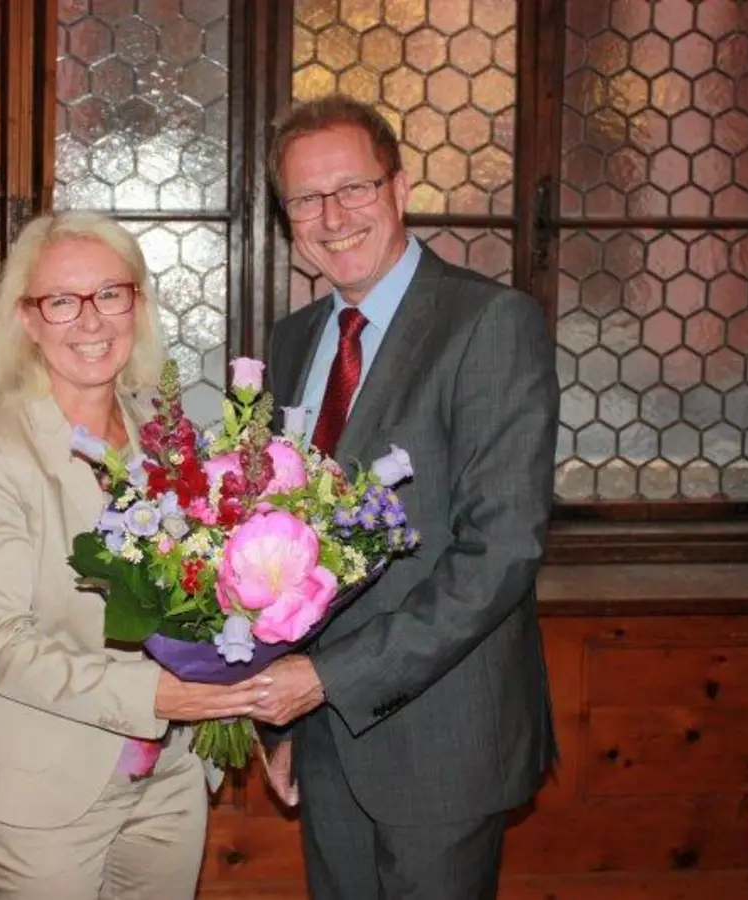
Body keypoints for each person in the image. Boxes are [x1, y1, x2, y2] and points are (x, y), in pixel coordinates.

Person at [249, 94, 562, 898]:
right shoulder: (293, 341)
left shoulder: (490, 322)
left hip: (442, 739)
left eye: (353, 187)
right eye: (306, 200)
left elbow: (501, 552)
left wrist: (327, 681)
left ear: (399, 186)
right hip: (325, 740)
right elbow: (286, 554)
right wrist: (291, 721)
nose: (333, 216)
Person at [0, 211, 269, 899]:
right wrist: (156, 694)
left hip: (170, 776)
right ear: (27, 318)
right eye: (61, 301)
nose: (91, 321)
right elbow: (0, 643)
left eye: (111, 294)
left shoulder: (164, 437)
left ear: (136, 305)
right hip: (46, 789)